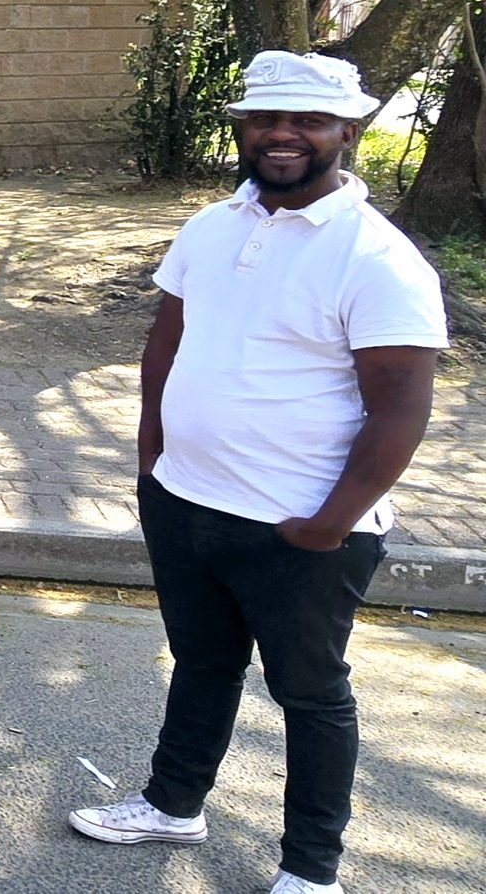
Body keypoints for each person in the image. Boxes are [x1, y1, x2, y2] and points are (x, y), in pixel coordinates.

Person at [69, 52, 444, 894]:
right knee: (202, 663)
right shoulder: (211, 225)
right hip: (187, 500)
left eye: (307, 121)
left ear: (347, 133)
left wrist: (330, 523)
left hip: (299, 526)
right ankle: (174, 805)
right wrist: (151, 464)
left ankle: (312, 870)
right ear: (241, 128)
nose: (283, 135)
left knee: (310, 696)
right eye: (266, 119)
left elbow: (400, 411)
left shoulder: (378, 258)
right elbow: (165, 344)